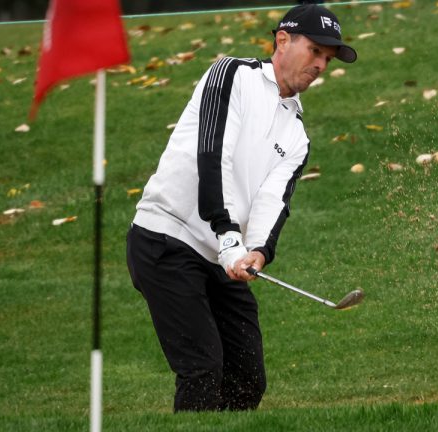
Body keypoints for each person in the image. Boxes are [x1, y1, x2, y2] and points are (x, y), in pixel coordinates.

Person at [125, 4, 357, 412]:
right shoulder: (232, 74)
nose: (321, 64)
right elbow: (213, 156)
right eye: (316, 51)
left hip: (224, 257)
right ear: (282, 41)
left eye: (328, 58)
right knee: (202, 368)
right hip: (166, 239)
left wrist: (257, 251)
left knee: (248, 378)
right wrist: (229, 236)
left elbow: (272, 201)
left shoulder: (297, 136)